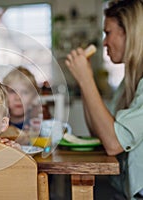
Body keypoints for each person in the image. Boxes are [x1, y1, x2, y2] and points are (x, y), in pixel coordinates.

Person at [65, 0, 143, 199]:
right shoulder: (130, 79)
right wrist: (84, 82)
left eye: (108, 33)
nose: (104, 42)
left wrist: (86, 79)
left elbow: (113, 143)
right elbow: (100, 131)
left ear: (129, 32)